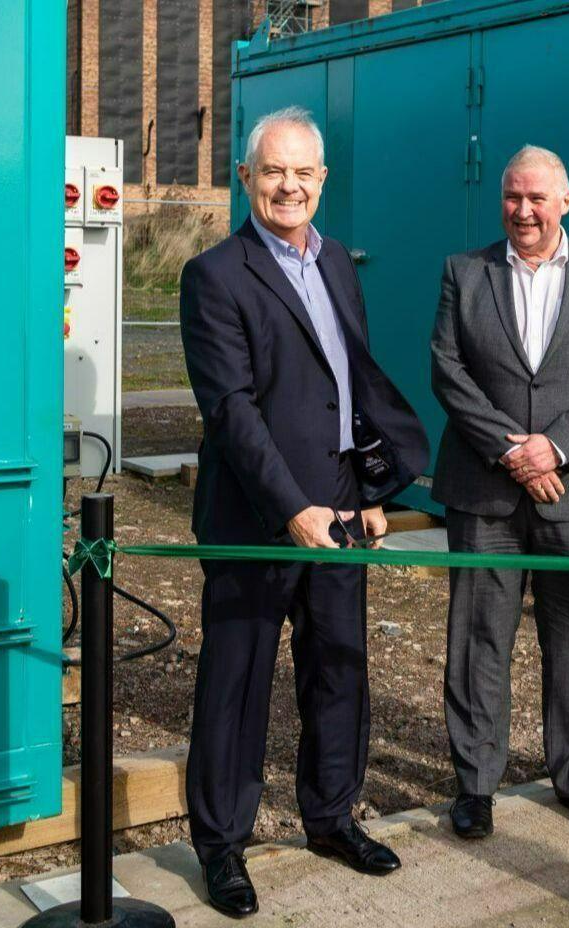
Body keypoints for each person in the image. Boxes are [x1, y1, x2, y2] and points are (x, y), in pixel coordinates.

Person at [178, 105, 430, 918]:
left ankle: (331, 817)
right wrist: (292, 508)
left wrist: (370, 494)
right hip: (255, 518)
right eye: (272, 171)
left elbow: (349, 388)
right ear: (245, 177)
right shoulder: (215, 275)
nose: (288, 186)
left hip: (341, 513)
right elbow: (231, 410)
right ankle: (222, 844)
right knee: (236, 683)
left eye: (302, 172)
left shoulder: (338, 264)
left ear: (322, 179)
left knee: (338, 670)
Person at [429, 145, 569, 840]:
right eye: (512, 197)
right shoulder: (465, 272)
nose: (523, 211)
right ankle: (475, 785)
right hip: (483, 488)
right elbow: (448, 369)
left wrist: (556, 446)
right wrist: (512, 450)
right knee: (477, 638)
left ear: (565, 202)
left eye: (536, 198)